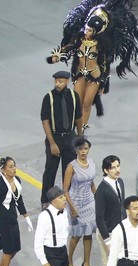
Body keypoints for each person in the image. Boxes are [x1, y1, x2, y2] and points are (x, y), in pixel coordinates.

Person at [45, 0, 138, 129]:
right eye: (86, 28)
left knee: (87, 104)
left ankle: (82, 129)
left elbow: (105, 64)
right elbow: (68, 47)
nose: (86, 31)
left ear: (95, 31)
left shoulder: (101, 45)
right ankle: (72, 126)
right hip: (79, 73)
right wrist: (57, 55)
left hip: (95, 76)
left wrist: (103, 83)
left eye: (90, 30)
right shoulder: (79, 39)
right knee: (76, 102)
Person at [40, 71, 81, 208]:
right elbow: (45, 121)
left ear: (67, 82)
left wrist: (79, 138)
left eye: (60, 81)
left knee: (68, 172)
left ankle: (66, 199)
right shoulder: (49, 98)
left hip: (70, 137)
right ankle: (46, 200)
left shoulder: (74, 97)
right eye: (56, 81)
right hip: (55, 137)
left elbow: (78, 118)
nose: (57, 84)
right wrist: (52, 143)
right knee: (50, 171)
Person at [94, 155, 126, 266]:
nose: (117, 169)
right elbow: (99, 218)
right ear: (106, 170)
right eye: (113, 167)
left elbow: (122, 208)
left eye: (118, 166)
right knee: (108, 265)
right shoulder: (102, 190)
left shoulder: (120, 182)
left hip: (120, 230)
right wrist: (107, 240)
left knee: (119, 264)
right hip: (107, 232)